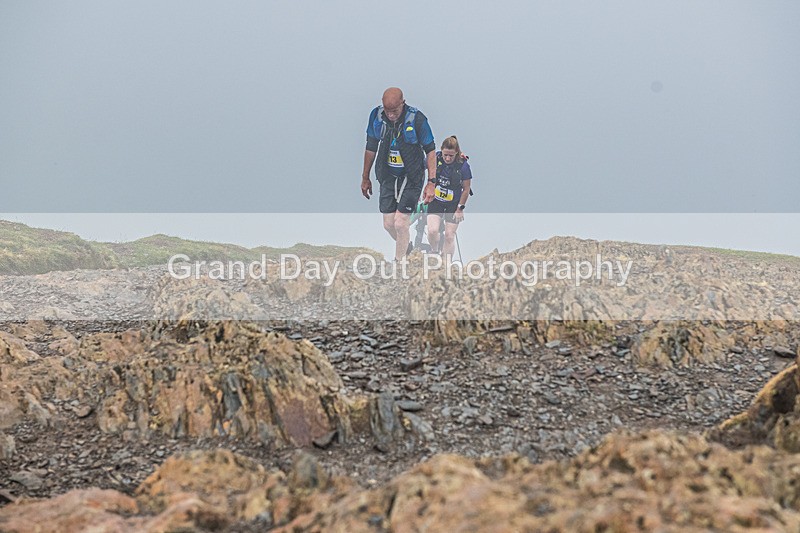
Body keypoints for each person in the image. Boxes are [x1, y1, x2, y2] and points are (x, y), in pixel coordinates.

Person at [361, 87, 437, 260]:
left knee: (401, 223)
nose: (391, 115)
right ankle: (408, 250)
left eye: (394, 111)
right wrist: (365, 177)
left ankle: (399, 263)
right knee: (389, 224)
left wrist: (431, 182)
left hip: (412, 177)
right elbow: (371, 147)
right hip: (388, 176)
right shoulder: (376, 117)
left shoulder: (417, 119)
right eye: (387, 111)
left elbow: (430, 150)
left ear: (403, 103)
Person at [427, 135, 472, 262]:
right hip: (436, 201)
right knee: (432, 230)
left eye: (451, 156)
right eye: (445, 154)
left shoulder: (463, 166)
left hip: (454, 204)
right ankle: (434, 251)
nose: (447, 158)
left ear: (456, 153)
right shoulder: (435, 158)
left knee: (449, 235)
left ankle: (446, 263)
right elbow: (419, 165)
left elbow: (466, 189)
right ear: (441, 150)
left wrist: (460, 208)